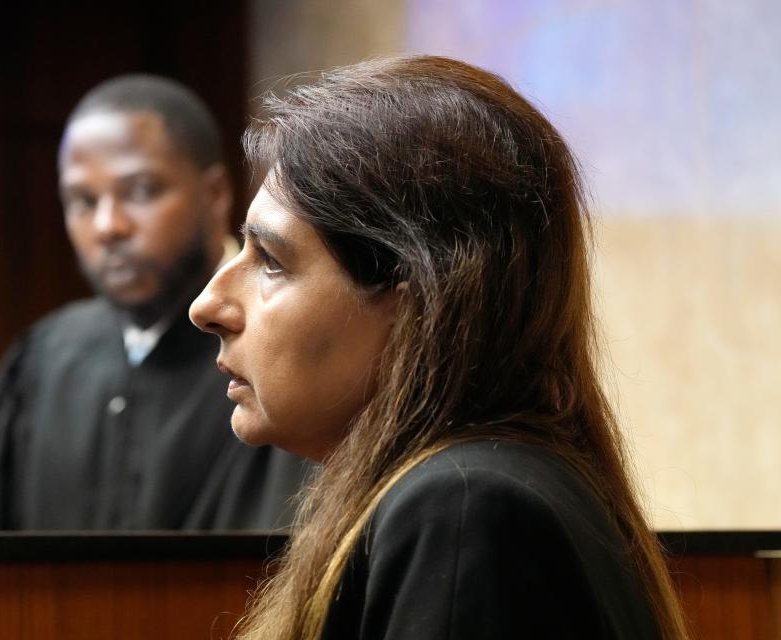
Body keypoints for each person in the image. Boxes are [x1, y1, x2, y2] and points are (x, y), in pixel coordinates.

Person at [189, 56, 689, 639]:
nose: (208, 307)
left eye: (271, 262)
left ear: (416, 300)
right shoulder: (480, 491)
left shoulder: (465, 508)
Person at [0, 75, 307, 531]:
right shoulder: (44, 360)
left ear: (215, 195)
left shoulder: (284, 352)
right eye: (83, 201)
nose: (108, 226)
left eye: (141, 191)